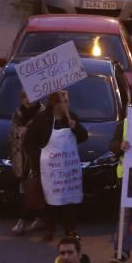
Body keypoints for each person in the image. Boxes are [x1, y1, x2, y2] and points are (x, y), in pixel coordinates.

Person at [24, 89, 88, 241]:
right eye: (64, 101)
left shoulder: (71, 117)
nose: (68, 104)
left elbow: (83, 137)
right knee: (49, 200)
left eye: (67, 101)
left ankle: (70, 229)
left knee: (71, 200)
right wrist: (40, 159)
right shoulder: (41, 119)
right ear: (55, 104)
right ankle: (49, 229)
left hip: (69, 168)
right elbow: (29, 142)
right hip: (49, 169)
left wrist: (76, 127)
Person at [9, 91, 43, 236]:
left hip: (36, 158)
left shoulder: (42, 113)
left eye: (31, 96)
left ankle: (22, 220)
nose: (27, 100)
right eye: (24, 97)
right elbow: (12, 134)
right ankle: (38, 217)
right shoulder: (17, 113)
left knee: (30, 190)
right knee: (25, 189)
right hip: (20, 158)